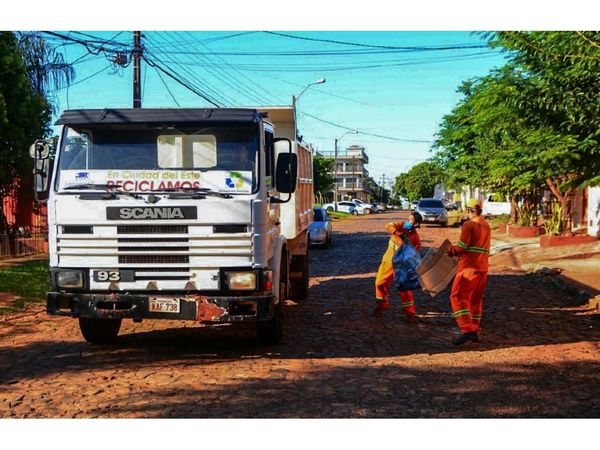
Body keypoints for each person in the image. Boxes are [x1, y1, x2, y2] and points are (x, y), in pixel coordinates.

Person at [446, 198, 491, 346]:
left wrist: (451, 250)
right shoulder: (486, 225)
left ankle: (467, 330)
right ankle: (475, 330)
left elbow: (462, 247)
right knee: (475, 301)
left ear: (470, 210)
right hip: (482, 269)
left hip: (468, 269)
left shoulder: (469, 225)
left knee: (457, 297)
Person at [374, 212, 423, 321]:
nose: (408, 221)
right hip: (388, 262)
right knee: (379, 283)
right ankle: (382, 305)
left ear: (416, 225)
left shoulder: (415, 237)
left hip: (401, 266)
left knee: (405, 289)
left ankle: (410, 314)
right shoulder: (400, 225)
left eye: (411, 220)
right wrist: (398, 233)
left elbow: (416, 250)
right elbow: (388, 225)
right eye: (408, 219)